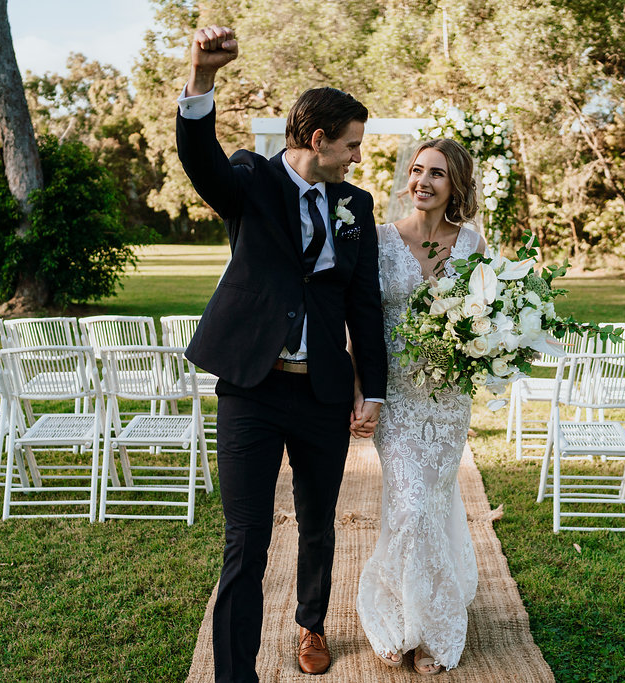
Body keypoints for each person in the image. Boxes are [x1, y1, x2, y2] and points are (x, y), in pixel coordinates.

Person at [176, 26, 388, 683]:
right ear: (319, 140)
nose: (357, 157)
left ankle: (311, 624)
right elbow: (198, 157)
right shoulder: (250, 180)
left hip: (322, 391)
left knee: (318, 524)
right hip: (252, 390)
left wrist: (371, 388)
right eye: (351, 145)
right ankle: (235, 673)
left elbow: (364, 304)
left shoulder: (357, 205)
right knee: (246, 540)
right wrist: (202, 81)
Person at [354, 139, 485, 675]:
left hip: (448, 399)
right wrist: (364, 391)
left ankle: (429, 628)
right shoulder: (381, 240)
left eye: (437, 174)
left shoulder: (472, 244)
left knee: (428, 505)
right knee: (408, 506)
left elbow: (485, 315)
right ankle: (398, 619)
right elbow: (358, 323)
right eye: (416, 171)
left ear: (455, 185)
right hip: (399, 398)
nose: (422, 182)